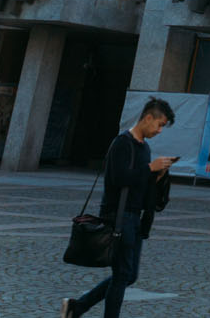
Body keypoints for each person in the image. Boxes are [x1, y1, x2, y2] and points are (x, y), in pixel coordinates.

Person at [63, 98, 177, 318]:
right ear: (147, 118)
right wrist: (149, 168)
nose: (160, 130)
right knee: (122, 273)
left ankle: (77, 307)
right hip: (119, 215)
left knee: (129, 274)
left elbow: (140, 184)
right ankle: (80, 308)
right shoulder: (122, 143)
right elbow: (118, 178)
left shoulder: (145, 148)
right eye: (159, 124)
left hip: (135, 217)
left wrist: (158, 176)